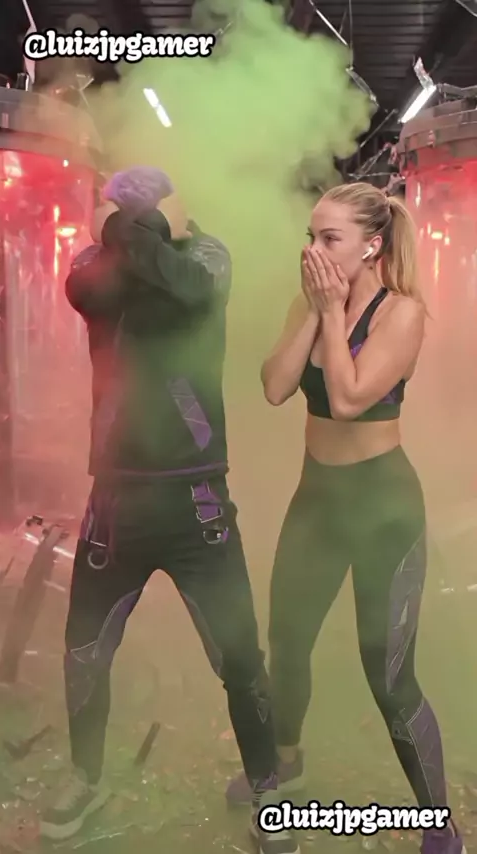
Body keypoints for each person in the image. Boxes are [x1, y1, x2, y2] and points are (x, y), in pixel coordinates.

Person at [39, 166, 298, 854]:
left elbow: (188, 290)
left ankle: (267, 789)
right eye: (130, 207)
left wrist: (134, 226)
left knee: (240, 658)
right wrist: (140, 233)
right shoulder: (95, 264)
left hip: (196, 502)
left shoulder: (207, 257)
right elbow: (89, 288)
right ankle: (85, 778)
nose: (135, 214)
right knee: (84, 655)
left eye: (146, 205)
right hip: (115, 502)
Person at [226, 182, 464, 854]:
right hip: (319, 498)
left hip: (382, 506)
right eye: (311, 235)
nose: (314, 250)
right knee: (287, 639)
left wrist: (331, 311)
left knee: (388, 675)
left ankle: (438, 822)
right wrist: (315, 308)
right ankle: (289, 758)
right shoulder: (309, 302)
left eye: (330, 238)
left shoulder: (402, 314)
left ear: (371, 245)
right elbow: (276, 386)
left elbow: (350, 398)